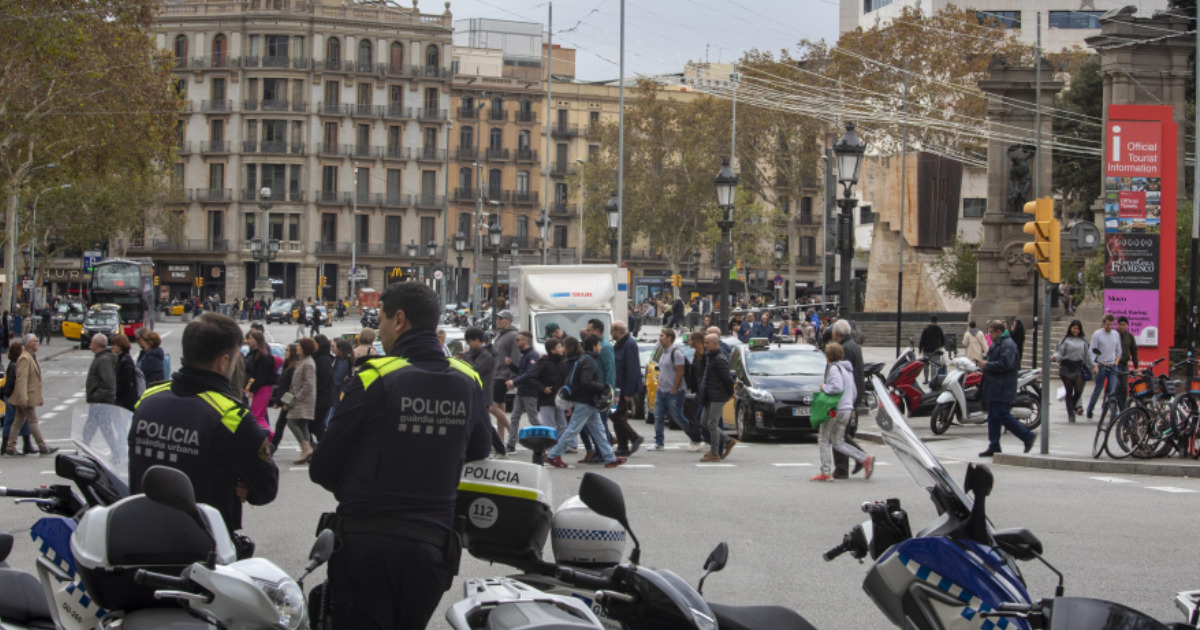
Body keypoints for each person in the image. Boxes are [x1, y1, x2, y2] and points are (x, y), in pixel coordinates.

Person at [309, 282, 492, 630]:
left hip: (367, 540)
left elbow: (322, 466)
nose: (379, 329)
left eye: (381, 319)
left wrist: (361, 487)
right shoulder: (467, 379)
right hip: (433, 545)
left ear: (399, 320)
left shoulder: (374, 377)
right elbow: (481, 449)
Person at [129, 313, 279, 533]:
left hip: (142, 531)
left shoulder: (148, 399)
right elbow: (266, 487)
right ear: (223, 361)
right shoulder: (231, 416)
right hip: (203, 538)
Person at [544, 335, 626, 469]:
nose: (600, 348)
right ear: (594, 347)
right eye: (598, 345)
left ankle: (609, 458)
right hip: (586, 401)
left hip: (587, 401)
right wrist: (603, 386)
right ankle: (553, 455)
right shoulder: (589, 361)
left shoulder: (583, 359)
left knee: (598, 430)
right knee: (573, 429)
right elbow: (586, 382)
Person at [811, 342, 873, 481]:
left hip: (835, 409)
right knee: (838, 441)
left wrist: (824, 387)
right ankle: (864, 458)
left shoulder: (834, 368)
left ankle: (826, 472)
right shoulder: (847, 370)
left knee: (823, 439)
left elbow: (837, 387)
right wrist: (848, 404)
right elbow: (854, 391)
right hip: (846, 409)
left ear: (828, 356)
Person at [978, 320, 1037, 457]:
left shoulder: (1008, 344)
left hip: (1002, 386)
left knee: (1001, 414)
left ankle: (1026, 436)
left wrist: (987, 365)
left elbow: (1006, 364)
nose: (990, 335)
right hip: (994, 385)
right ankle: (994, 445)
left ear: (999, 332)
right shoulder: (999, 343)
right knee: (993, 416)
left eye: (991, 332)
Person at [648, 328, 700, 452]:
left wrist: (674, 388)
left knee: (678, 418)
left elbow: (680, 372)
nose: (660, 338)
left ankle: (696, 438)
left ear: (669, 338)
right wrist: (659, 385)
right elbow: (662, 371)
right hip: (662, 391)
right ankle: (659, 443)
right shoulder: (664, 353)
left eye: (662, 336)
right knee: (658, 417)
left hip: (674, 392)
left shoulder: (676, 353)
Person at [460, 327, 508, 455]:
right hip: (476, 394)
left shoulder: (487, 355)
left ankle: (500, 449)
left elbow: (473, 369)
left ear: (477, 340)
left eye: (469, 342)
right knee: (482, 423)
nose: (469, 345)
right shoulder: (478, 353)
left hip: (482, 395)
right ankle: (499, 449)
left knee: (485, 424)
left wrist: (465, 356)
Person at [830, 320, 867, 479]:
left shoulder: (843, 348)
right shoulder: (854, 345)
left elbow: (840, 376)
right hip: (852, 394)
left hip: (845, 397)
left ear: (836, 333)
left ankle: (856, 460)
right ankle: (849, 464)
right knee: (841, 432)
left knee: (838, 433)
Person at [698, 334, 735, 462]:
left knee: (712, 423)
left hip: (718, 395)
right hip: (709, 394)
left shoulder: (719, 358)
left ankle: (714, 453)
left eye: (707, 342)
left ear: (715, 343)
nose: (705, 345)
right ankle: (728, 440)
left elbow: (727, 378)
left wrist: (731, 392)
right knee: (704, 422)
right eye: (705, 342)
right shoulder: (710, 356)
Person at [610, 321, 645, 456]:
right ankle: (623, 446)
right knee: (619, 416)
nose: (611, 333)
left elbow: (632, 369)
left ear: (618, 330)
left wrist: (629, 392)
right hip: (617, 387)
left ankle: (634, 437)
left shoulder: (629, 344)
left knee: (615, 415)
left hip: (623, 389)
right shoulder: (620, 344)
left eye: (612, 330)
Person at [504, 331, 541, 453]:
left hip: (529, 392)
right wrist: (511, 365)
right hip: (522, 391)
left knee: (533, 419)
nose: (516, 342)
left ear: (526, 341)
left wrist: (514, 382)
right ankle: (511, 444)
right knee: (514, 417)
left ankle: (543, 442)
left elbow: (530, 373)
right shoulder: (525, 355)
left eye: (518, 340)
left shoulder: (532, 356)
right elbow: (522, 371)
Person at [529, 338, 570, 443]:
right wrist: (543, 388)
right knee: (549, 426)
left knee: (563, 425)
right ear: (552, 350)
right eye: (559, 347)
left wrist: (568, 402)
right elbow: (533, 379)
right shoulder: (544, 364)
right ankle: (548, 449)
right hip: (546, 400)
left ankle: (555, 446)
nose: (562, 349)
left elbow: (565, 384)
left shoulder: (562, 364)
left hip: (559, 400)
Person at [285, 337, 318, 464]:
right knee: (303, 424)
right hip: (299, 397)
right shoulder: (302, 361)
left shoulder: (308, 363)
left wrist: (298, 397)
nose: (297, 348)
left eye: (299, 346)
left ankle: (306, 448)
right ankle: (308, 452)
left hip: (303, 399)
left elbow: (309, 384)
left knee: (291, 422)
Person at [490, 310, 520, 449]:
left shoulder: (513, 336)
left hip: (502, 375)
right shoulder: (501, 335)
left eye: (501, 318)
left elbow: (515, 357)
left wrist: (512, 377)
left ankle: (512, 431)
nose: (498, 320)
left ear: (509, 320)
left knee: (492, 407)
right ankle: (500, 440)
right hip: (496, 373)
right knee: (500, 407)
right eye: (498, 318)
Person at [1052, 320, 1092, 423]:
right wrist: (1055, 357)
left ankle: (1071, 407)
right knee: (1069, 391)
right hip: (1066, 367)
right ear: (1070, 328)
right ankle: (1071, 414)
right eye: (1074, 328)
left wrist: (1092, 367)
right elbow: (1059, 352)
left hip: (1078, 366)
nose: (1076, 330)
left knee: (1078, 390)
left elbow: (1087, 356)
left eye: (1078, 328)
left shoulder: (1083, 340)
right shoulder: (1065, 339)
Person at [1086, 314, 1121, 419]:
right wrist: (1094, 365)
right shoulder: (1097, 334)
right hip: (1101, 365)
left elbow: (1118, 350)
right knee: (1098, 389)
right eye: (1107, 324)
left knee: (1112, 389)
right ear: (1103, 323)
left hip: (1112, 365)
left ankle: (1113, 411)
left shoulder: (1115, 334)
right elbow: (1092, 351)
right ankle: (1090, 409)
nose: (1109, 326)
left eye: (1111, 324)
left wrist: (1117, 361)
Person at [1, 342, 32, 456]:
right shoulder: (15, 365)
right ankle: (7, 445)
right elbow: (14, 383)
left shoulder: (14, 364)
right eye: (22, 351)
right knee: (11, 420)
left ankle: (25, 444)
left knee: (21, 420)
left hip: (11, 395)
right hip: (12, 396)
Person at [244, 330, 277, 434]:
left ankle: (270, 436)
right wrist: (248, 387)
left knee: (257, 416)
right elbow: (252, 374)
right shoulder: (252, 354)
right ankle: (266, 436)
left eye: (251, 339)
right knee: (258, 415)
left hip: (263, 387)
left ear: (257, 340)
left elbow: (260, 376)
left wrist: (251, 388)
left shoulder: (263, 356)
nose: (248, 341)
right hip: (257, 387)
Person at [269, 344, 299, 453]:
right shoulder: (287, 366)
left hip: (289, 401)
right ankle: (273, 447)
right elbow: (281, 386)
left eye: (288, 350)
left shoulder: (294, 368)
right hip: (284, 399)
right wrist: (277, 401)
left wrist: (286, 402)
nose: (286, 352)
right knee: (282, 425)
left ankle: (272, 447)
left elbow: (291, 387)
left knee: (287, 425)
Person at [312, 335, 335, 441]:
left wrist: (315, 390)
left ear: (319, 344)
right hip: (321, 397)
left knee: (317, 425)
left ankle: (325, 443)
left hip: (322, 398)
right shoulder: (319, 357)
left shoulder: (323, 359)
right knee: (316, 425)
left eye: (314, 343)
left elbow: (323, 379)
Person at [85, 334, 118, 407]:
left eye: (92, 342)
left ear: (96, 344)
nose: (90, 344)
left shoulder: (103, 360)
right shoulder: (101, 358)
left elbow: (108, 383)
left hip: (101, 403)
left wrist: (95, 397)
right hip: (99, 402)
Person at [111, 334, 140, 412]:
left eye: (114, 345)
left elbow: (126, 382)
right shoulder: (122, 359)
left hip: (126, 401)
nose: (112, 347)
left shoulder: (125, 361)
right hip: (124, 399)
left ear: (120, 346)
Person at [1115, 316, 1139, 407]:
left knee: (1124, 387)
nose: (1121, 326)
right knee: (1114, 386)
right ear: (1117, 325)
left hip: (1124, 365)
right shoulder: (1113, 335)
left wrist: (1136, 366)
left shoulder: (1130, 337)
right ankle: (1112, 406)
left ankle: (1123, 407)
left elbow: (1134, 351)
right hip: (1114, 364)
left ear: (1127, 326)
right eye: (1120, 324)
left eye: (1123, 325)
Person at [918, 315, 944, 384]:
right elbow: (942, 339)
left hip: (926, 350)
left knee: (925, 365)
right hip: (935, 351)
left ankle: (926, 379)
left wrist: (920, 349)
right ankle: (933, 380)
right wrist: (941, 345)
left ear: (930, 321)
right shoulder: (939, 329)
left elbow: (922, 340)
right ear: (936, 321)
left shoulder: (926, 329)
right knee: (934, 366)